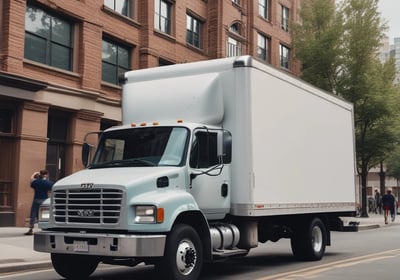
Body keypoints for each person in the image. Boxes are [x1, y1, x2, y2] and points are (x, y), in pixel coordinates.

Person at [24, 170, 54, 235]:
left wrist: (34, 174)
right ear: (46, 175)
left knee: (33, 214)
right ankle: (45, 227)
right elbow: (52, 188)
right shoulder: (48, 182)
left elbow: (31, 181)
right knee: (45, 213)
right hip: (44, 200)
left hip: (36, 199)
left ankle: (31, 229)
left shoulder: (36, 182)